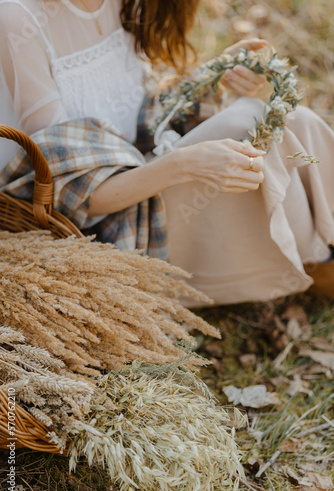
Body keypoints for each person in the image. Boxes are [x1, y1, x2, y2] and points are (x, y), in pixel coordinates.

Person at [0, 0, 333, 306]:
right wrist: (184, 164)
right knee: (247, 120)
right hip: (98, 229)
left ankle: (324, 248)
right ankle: (319, 260)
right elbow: (66, 195)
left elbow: (136, 116)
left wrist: (211, 78)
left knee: (293, 119)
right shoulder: (18, 19)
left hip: (146, 167)